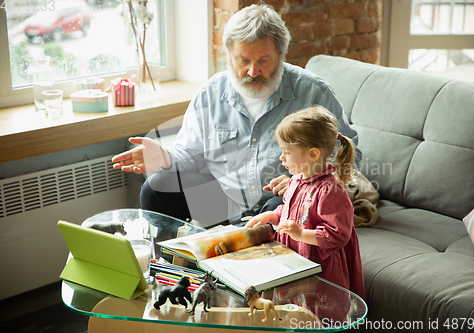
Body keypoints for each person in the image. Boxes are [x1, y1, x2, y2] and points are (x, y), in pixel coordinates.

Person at [111, 4, 361, 228]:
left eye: (264, 60)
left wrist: (306, 182)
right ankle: (172, 268)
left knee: (281, 213)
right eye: (243, 60)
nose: (253, 71)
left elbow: (350, 154)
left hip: (279, 200)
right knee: (156, 189)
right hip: (222, 199)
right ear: (229, 56)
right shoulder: (211, 92)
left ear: (281, 56)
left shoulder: (314, 93)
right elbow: (192, 155)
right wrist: (165, 157)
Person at [243, 106, 365, 299]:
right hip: (293, 257)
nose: (281, 157)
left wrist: (300, 233)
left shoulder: (330, 191)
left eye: (287, 152)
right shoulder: (296, 180)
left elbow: (338, 234)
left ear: (313, 154)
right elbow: (293, 212)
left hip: (317, 265)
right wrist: (272, 215)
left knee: (313, 311)